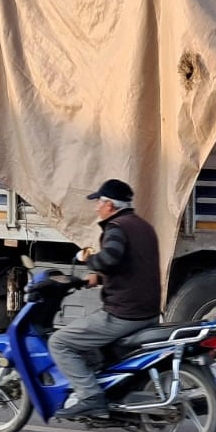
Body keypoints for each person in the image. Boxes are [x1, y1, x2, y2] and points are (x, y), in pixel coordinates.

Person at [49, 179, 162, 418]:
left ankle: (90, 396)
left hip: (124, 313)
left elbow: (110, 258)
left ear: (109, 205)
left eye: (98, 202)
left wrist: (87, 259)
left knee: (59, 342)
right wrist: (97, 277)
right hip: (148, 311)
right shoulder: (143, 226)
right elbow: (130, 266)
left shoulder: (116, 228)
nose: (96, 208)